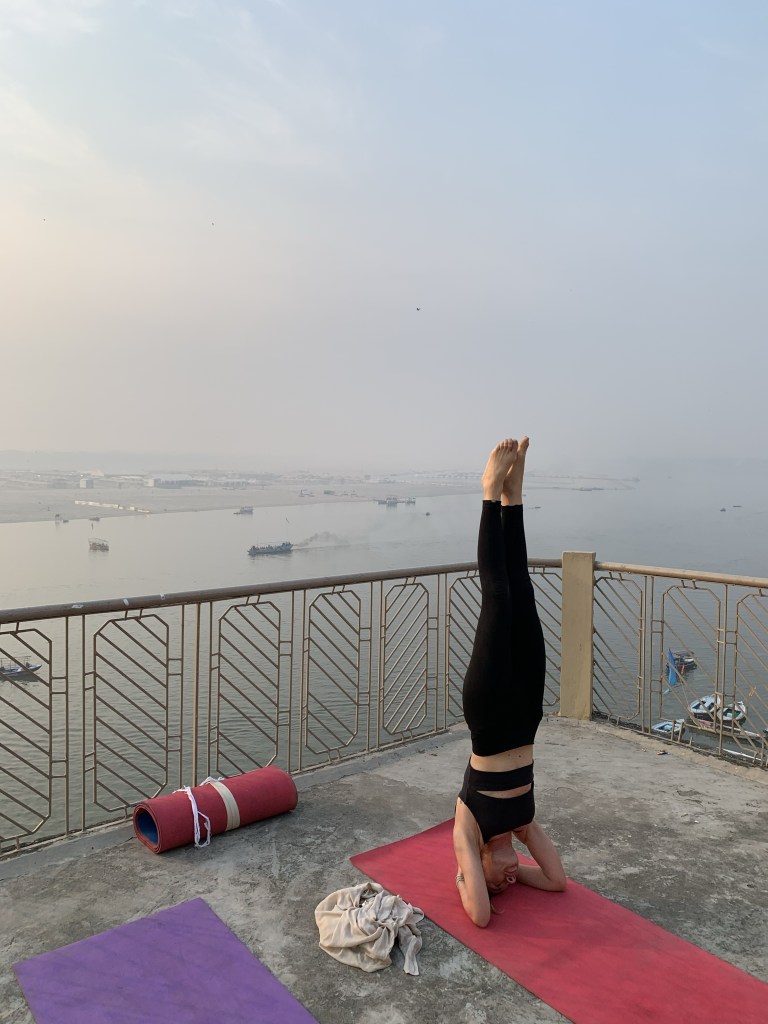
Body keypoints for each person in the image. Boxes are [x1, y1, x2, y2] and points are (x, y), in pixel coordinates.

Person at [453, 438, 566, 927]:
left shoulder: (468, 825)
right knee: (522, 588)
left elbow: (480, 916)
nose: (507, 883)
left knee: (497, 595)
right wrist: (519, 850)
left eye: (495, 881)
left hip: (492, 714)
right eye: (508, 885)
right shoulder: (522, 826)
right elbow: (558, 881)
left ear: (475, 866)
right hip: (527, 715)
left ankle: (487, 492)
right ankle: (513, 497)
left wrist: (466, 881)